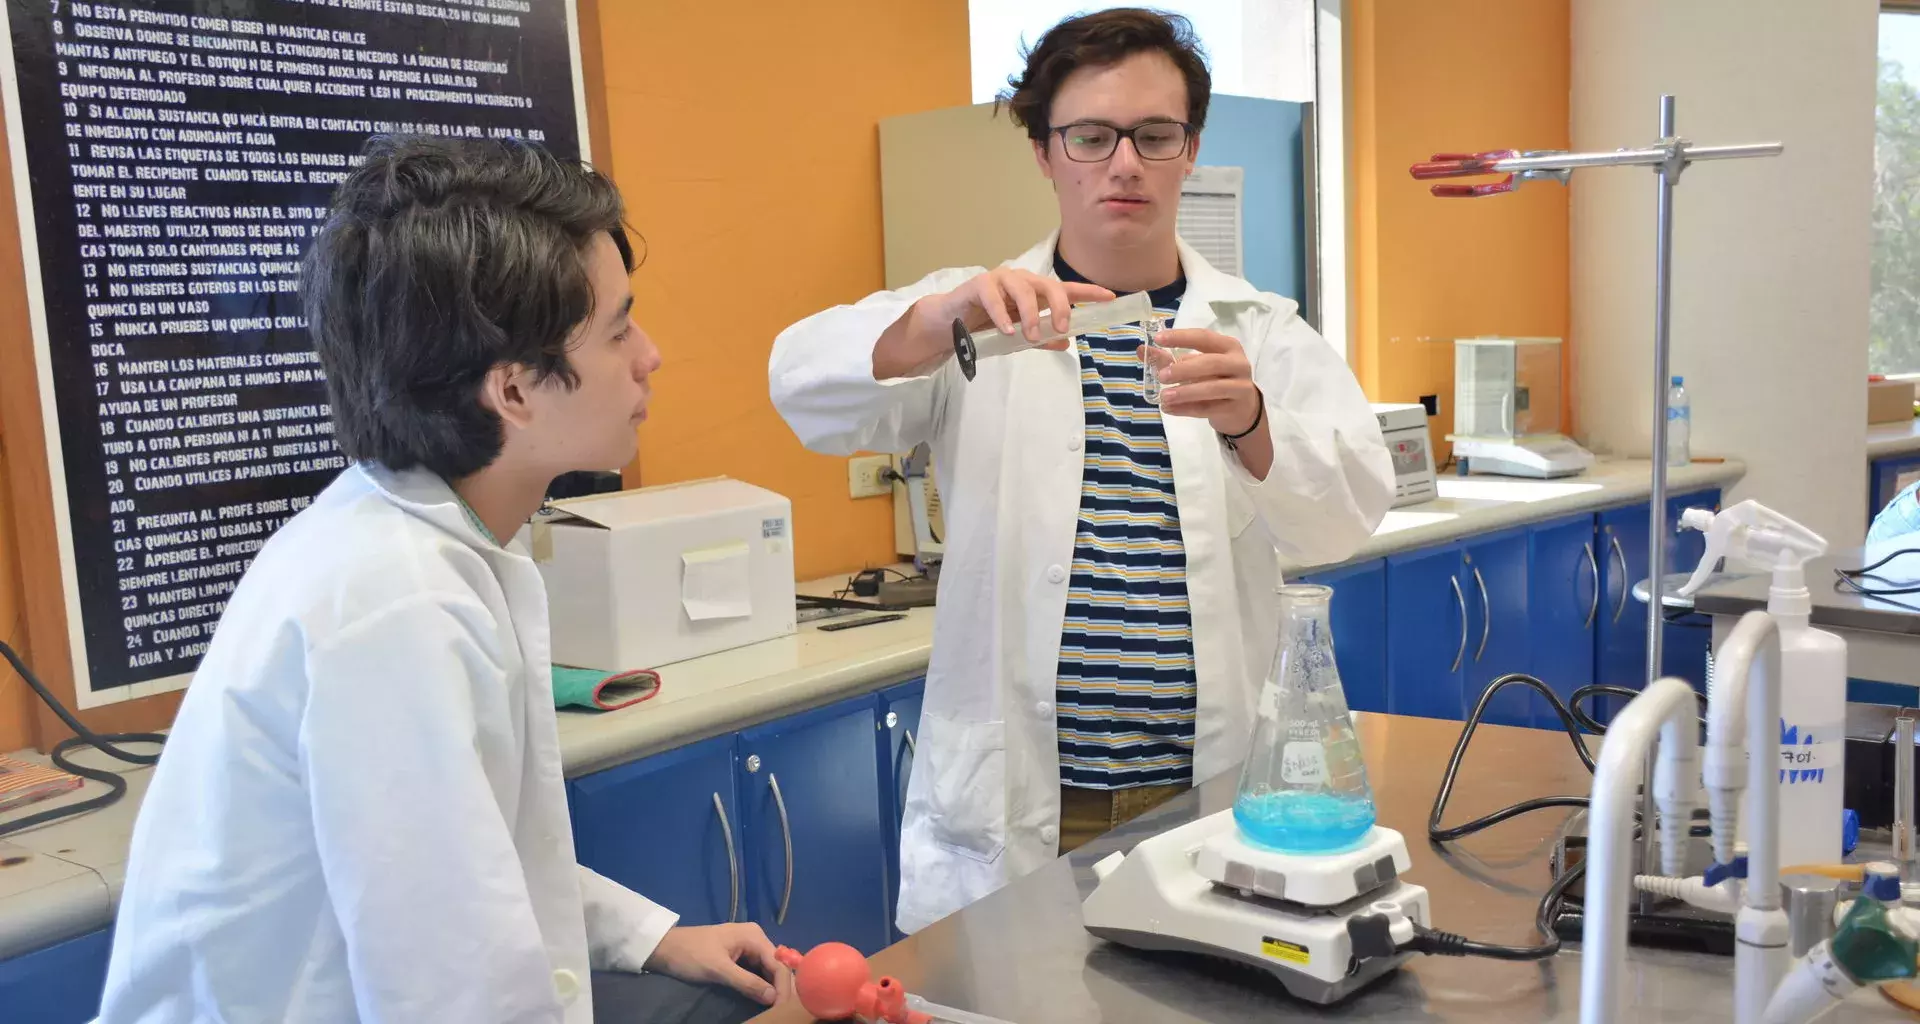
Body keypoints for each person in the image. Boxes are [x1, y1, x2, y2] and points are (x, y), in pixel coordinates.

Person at [97, 136, 790, 1023]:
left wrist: (647, 937)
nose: (650, 356)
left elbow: (468, 861)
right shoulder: (396, 605)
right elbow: (453, 992)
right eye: (619, 330)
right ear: (512, 392)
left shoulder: (421, 539)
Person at [767, 9, 1393, 936]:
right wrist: (944, 320)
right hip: (1024, 806)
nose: (1125, 163)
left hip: (1200, 796)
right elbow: (802, 388)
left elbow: (1348, 517)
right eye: (1091, 136)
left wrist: (1252, 420)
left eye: (1155, 135)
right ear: (1045, 152)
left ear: (1190, 149)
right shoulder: (973, 317)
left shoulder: (1258, 330)